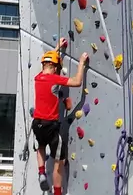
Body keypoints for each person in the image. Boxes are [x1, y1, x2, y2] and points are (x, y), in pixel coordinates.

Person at [32, 49, 88, 195]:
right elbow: (76, 82)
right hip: (51, 126)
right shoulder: (55, 79)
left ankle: (41, 172)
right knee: (59, 161)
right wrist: (81, 62)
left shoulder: (37, 78)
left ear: (44, 65)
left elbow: (48, 63)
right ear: (56, 68)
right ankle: (57, 193)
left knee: (41, 146)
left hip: (37, 123)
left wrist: (56, 48)